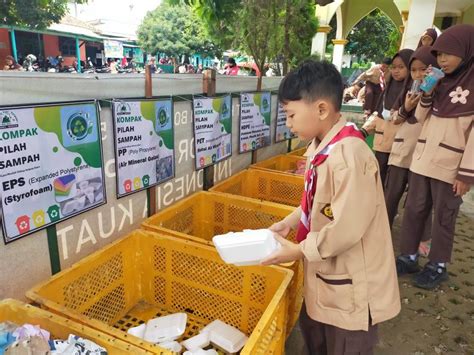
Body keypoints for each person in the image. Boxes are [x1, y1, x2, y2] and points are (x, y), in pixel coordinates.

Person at [261, 60, 400, 355]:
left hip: (351, 288)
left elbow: (347, 228)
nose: (288, 123)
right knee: (317, 336)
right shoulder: (323, 147)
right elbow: (318, 203)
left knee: (343, 343)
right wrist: (291, 221)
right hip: (326, 277)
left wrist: (297, 250)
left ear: (321, 109)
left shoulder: (349, 157)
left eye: (291, 115)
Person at [396, 24, 473, 289]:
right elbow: (420, 118)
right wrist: (427, 93)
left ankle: (437, 265)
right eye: (439, 55)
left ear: (466, 51)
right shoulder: (440, 84)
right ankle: (408, 256)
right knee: (414, 209)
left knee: (443, 216)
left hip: (450, 167)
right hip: (422, 160)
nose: (442, 60)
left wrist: (466, 174)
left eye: (448, 54)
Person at [384, 46, 438, 255]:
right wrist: (406, 107)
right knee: (391, 195)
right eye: (413, 70)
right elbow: (395, 118)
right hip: (402, 152)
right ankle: (382, 232)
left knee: (420, 201)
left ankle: (420, 240)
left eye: (422, 69)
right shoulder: (408, 91)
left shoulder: (438, 92)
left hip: (423, 154)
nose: (418, 75)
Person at [361, 49, 413, 186]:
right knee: (378, 178)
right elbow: (378, 114)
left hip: (399, 146)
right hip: (382, 143)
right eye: (394, 67)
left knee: (394, 184)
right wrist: (364, 130)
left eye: (401, 67)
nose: (396, 71)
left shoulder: (412, 93)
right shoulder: (387, 89)